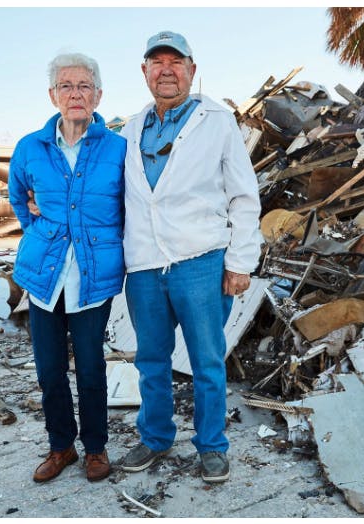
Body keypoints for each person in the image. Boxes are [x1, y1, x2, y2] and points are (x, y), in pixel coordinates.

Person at [113, 31, 261, 484]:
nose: (166, 70)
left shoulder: (216, 121)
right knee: (151, 361)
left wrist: (241, 261)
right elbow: (111, 196)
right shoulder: (129, 130)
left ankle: (212, 445)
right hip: (144, 267)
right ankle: (155, 438)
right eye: (156, 62)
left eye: (175, 62)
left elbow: (243, 196)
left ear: (192, 70)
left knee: (207, 362)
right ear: (144, 73)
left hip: (201, 262)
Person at [8, 53, 127, 483]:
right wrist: (36, 231)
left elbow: (128, 206)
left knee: (92, 367)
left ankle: (96, 449)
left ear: (98, 95)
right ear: (52, 95)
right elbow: (18, 196)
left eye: (84, 86)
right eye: (66, 86)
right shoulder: (30, 147)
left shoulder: (118, 148)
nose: (75, 94)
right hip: (44, 277)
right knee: (49, 370)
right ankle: (62, 447)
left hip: (93, 277)